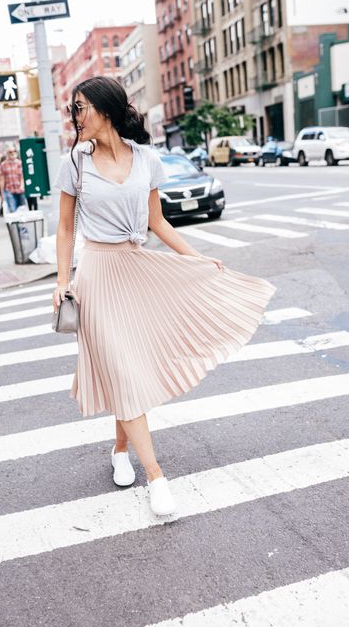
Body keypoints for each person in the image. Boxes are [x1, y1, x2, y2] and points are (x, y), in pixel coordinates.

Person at [52, 76, 275, 518]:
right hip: (97, 274)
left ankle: (120, 451)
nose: (74, 117)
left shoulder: (146, 159)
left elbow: (158, 222)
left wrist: (198, 260)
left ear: (105, 109)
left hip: (138, 269)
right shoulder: (74, 163)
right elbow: (64, 227)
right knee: (122, 368)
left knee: (130, 370)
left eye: (81, 108)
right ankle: (156, 476)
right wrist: (63, 280)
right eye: (72, 109)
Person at [0, 147, 26, 213]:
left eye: (14, 151)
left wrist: (22, 186)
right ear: (7, 153)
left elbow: (22, 176)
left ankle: (19, 222)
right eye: (10, 152)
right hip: (9, 190)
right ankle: (15, 223)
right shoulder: (3, 165)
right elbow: (2, 180)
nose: (12, 153)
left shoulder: (20, 163)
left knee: (21, 209)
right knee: (13, 209)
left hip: (20, 189)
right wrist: (2, 194)